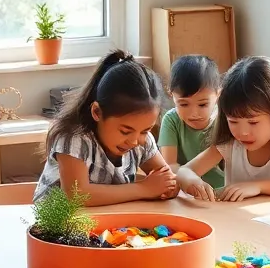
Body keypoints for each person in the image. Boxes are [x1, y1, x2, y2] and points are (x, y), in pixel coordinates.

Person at [33, 50, 178, 205]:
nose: (135, 141)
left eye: (145, 130)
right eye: (125, 131)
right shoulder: (74, 138)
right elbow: (77, 194)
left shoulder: (142, 141)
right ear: (97, 112)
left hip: (108, 221)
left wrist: (169, 187)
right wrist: (144, 189)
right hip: (58, 224)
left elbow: (168, 180)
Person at [176, 56, 270, 201]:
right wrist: (195, 183)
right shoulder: (230, 144)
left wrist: (258, 186)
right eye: (233, 122)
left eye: (253, 122)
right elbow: (185, 171)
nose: (243, 132)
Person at [159, 55, 224, 191]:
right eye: (183, 104)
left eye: (202, 105)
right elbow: (169, 165)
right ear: (172, 95)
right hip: (186, 190)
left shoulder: (224, 120)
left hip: (223, 190)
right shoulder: (171, 120)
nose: (193, 113)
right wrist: (191, 181)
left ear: (218, 94)